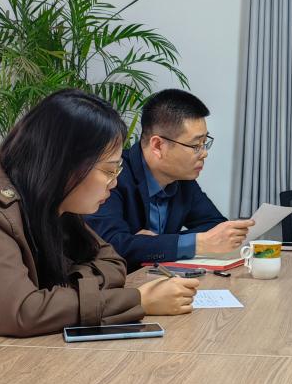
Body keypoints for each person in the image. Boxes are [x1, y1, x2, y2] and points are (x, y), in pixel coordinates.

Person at [0, 90, 198, 371]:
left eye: (118, 169)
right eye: (108, 170)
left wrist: (64, 291)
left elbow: (112, 262)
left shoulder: (52, 206)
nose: (114, 183)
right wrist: (137, 300)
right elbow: (20, 312)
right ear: (65, 164)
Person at [87, 89, 253, 271]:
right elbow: (111, 245)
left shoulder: (183, 180)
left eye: (204, 143)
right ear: (158, 145)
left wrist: (156, 243)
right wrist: (197, 243)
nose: (204, 153)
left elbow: (214, 224)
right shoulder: (114, 176)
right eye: (195, 145)